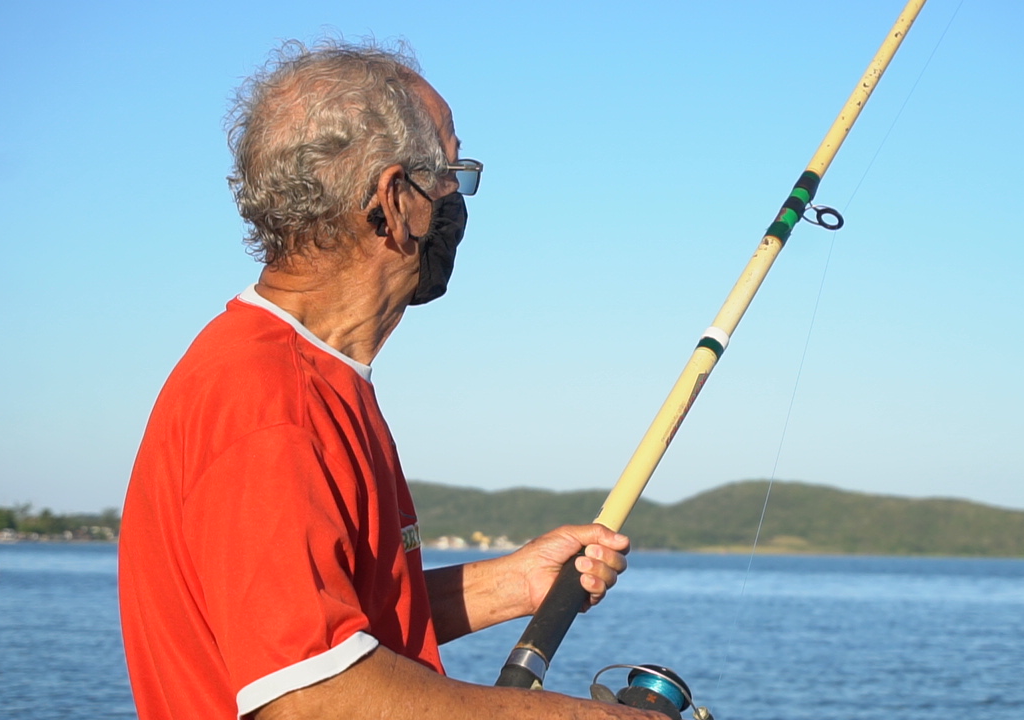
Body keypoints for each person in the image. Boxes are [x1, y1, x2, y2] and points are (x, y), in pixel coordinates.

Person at [117, 40, 661, 720]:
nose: (458, 202)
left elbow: (343, 614)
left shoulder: (311, 375)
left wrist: (514, 585)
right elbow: (314, 696)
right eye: (452, 176)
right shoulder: (269, 401)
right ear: (394, 199)